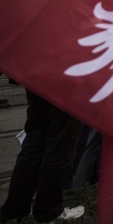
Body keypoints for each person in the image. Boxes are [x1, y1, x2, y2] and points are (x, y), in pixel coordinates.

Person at [0, 90, 85, 223]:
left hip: (39, 79)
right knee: (61, 148)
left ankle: (15, 210)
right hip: (69, 84)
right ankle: (49, 211)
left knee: (34, 144)